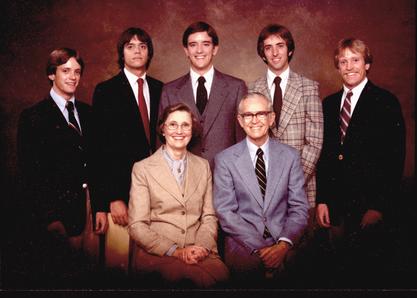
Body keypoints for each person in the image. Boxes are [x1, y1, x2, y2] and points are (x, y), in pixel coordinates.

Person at [316, 38, 406, 287]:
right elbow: (325, 155)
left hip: (369, 205)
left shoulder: (385, 102)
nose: (349, 66)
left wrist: (379, 205)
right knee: (336, 272)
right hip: (336, 204)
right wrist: (322, 198)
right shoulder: (329, 104)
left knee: (367, 273)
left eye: (355, 60)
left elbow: (394, 159)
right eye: (343, 61)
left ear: (367, 64)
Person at [17, 48, 107, 284]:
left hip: (87, 209)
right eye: (65, 70)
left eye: (77, 72)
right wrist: (50, 218)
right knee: (61, 278)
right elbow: (30, 175)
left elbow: (97, 164)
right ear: (51, 74)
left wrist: (99, 207)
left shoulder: (89, 113)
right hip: (57, 215)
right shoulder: (33, 117)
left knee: (90, 276)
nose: (72, 77)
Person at [128, 103, 229, 288]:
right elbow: (137, 226)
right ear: (163, 129)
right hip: (159, 253)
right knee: (194, 280)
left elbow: (209, 216)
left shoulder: (203, 165)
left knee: (222, 277)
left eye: (185, 125)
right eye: (173, 124)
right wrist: (176, 251)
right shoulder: (142, 168)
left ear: (192, 130)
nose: (179, 131)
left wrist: (201, 248)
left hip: (199, 250)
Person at [213, 92, 309, 286]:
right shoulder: (225, 159)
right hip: (244, 243)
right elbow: (226, 212)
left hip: (284, 237)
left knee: (300, 270)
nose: (254, 120)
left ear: (271, 118)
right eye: (248, 115)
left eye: (261, 114)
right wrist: (264, 249)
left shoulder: (290, 156)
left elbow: (299, 208)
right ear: (240, 120)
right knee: (248, 273)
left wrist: (283, 245)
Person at [90, 27, 163, 272]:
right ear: (122, 52)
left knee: (152, 264)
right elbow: (99, 150)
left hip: (157, 193)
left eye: (142, 46)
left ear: (149, 52)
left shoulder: (161, 88)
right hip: (121, 193)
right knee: (120, 265)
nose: (137, 51)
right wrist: (112, 198)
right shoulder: (106, 91)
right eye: (130, 46)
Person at [249, 24, 323, 209]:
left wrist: (291, 184)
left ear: (289, 50)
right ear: (262, 53)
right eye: (268, 47)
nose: (274, 52)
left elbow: (314, 143)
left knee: (299, 237)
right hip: (262, 189)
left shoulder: (308, 88)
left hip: (301, 188)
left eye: (280, 46)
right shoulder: (252, 90)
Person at [158, 21, 247, 169]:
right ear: (186, 50)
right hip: (182, 176)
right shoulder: (170, 90)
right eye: (193, 45)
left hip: (225, 177)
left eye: (205, 44)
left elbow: (242, 141)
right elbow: (161, 141)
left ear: (215, 49)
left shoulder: (236, 87)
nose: (199, 50)